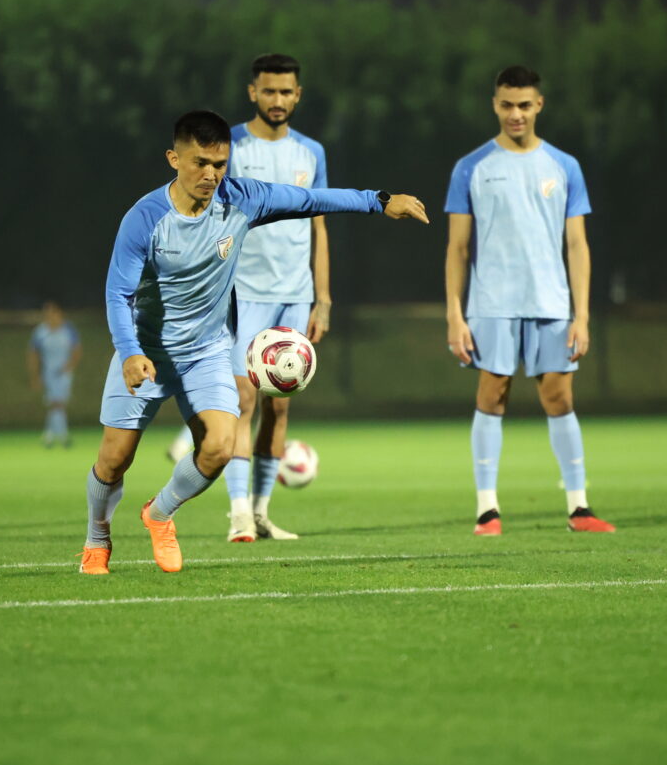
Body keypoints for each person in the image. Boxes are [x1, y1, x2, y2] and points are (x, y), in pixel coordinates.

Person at [80, 110, 427, 575]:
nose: (211, 174)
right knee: (113, 459)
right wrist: (130, 353)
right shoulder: (144, 219)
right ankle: (96, 538)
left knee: (221, 447)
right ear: (173, 158)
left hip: (205, 352)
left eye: (220, 163)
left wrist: (379, 200)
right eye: (200, 162)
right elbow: (117, 294)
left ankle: (159, 514)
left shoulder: (242, 200)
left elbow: (309, 198)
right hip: (146, 351)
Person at [444, 65, 614, 537]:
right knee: (491, 395)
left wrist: (582, 314)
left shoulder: (564, 166)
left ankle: (579, 508)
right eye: (506, 104)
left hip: (551, 303)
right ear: (494, 104)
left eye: (523, 105)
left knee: (559, 397)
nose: (515, 113)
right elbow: (458, 248)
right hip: (491, 302)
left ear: (539, 105)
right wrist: (455, 315)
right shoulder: (471, 167)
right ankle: (486, 511)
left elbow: (577, 245)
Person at [224, 53, 331, 542]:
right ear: (253, 93)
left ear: (298, 95)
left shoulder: (311, 152)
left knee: (280, 406)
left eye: (286, 92)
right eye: (269, 91)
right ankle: (239, 514)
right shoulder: (231, 146)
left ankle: (263, 512)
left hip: (296, 294)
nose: (278, 100)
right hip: (245, 292)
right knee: (243, 398)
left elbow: (319, 224)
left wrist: (322, 298)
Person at [27, 301, 82, 447]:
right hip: (48, 372)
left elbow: (76, 349)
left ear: (59, 313)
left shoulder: (68, 329)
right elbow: (33, 353)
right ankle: (61, 436)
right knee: (55, 404)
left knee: (58, 403)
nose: (50, 316)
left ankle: (50, 436)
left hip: (64, 372)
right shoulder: (40, 332)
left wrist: (70, 366)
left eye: (53, 313)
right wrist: (35, 375)